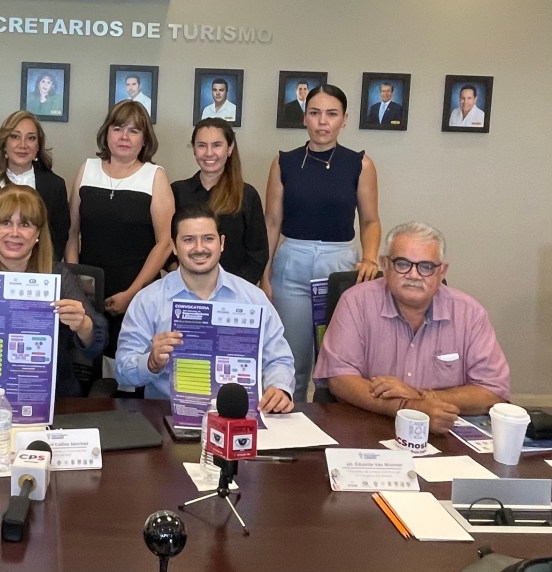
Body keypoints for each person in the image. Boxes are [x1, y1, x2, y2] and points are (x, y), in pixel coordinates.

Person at [314, 222, 509, 433]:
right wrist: (408, 407)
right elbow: (339, 379)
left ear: (441, 271)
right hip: (368, 426)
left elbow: (493, 390)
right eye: (403, 263)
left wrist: (421, 396)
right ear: (385, 265)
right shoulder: (355, 302)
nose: (414, 275)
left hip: (444, 430)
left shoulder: (469, 313)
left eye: (426, 266)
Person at [262, 84, 381, 403]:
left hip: (339, 265)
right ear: (305, 118)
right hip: (291, 264)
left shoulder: (360, 164)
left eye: (331, 114)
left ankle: (333, 427)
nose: (323, 121)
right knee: (293, 363)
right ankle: (291, 420)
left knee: (337, 366)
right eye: (315, 113)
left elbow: (370, 221)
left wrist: (370, 258)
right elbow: (271, 222)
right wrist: (264, 275)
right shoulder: (283, 163)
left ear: (344, 119)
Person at [116, 204, 295, 412]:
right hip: (167, 414)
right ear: (174, 246)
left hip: (238, 416)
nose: (199, 248)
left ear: (222, 243)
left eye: (208, 238)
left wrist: (279, 388)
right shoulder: (148, 300)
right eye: (188, 240)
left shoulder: (253, 299)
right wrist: (150, 363)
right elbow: (122, 371)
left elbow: (279, 358)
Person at [0, 186, 108, 397]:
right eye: (5, 222)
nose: (14, 233)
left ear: (37, 234)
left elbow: (96, 344)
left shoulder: (58, 276)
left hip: (51, 396)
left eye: (25, 224)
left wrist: (84, 325)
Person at [66, 100, 174, 368]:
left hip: (137, 293)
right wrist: (76, 284)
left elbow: (164, 243)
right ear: (107, 133)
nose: (124, 137)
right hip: (89, 293)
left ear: (144, 140)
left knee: (130, 368)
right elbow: (72, 233)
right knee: (86, 366)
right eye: (118, 128)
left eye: (133, 131)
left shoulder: (155, 176)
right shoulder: (87, 169)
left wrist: (133, 293)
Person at [171, 118, 267, 285]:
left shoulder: (247, 195)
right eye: (202, 145)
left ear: (229, 148)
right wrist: (184, 281)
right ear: (194, 149)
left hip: (234, 290)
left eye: (216, 145)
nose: (209, 153)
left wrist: (235, 288)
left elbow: (258, 253)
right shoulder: (176, 192)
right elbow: (166, 245)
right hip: (185, 288)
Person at [0, 110, 70, 261]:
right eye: (15, 136)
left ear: (38, 147)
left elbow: (59, 239)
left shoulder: (55, 186)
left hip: (39, 269)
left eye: (31, 138)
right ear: (4, 143)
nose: (22, 145)